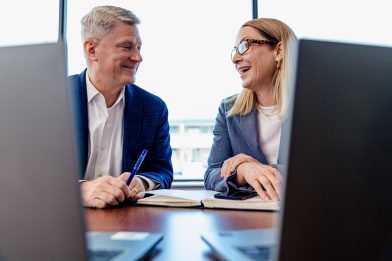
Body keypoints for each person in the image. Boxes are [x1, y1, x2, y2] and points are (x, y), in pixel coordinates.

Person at [68, 6, 173, 209]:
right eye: (126, 47)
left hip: (127, 223)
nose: (138, 57)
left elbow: (162, 172)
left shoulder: (154, 108)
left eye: (138, 47)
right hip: (62, 218)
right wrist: (80, 189)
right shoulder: (55, 97)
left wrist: (142, 181)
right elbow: (28, 171)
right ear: (91, 50)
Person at [204, 18, 296, 201]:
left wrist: (258, 169)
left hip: (303, 211)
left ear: (279, 51)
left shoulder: (311, 107)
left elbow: (321, 169)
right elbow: (211, 175)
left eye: (244, 46)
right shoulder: (228, 110)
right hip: (249, 216)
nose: (236, 58)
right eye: (235, 50)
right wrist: (244, 170)